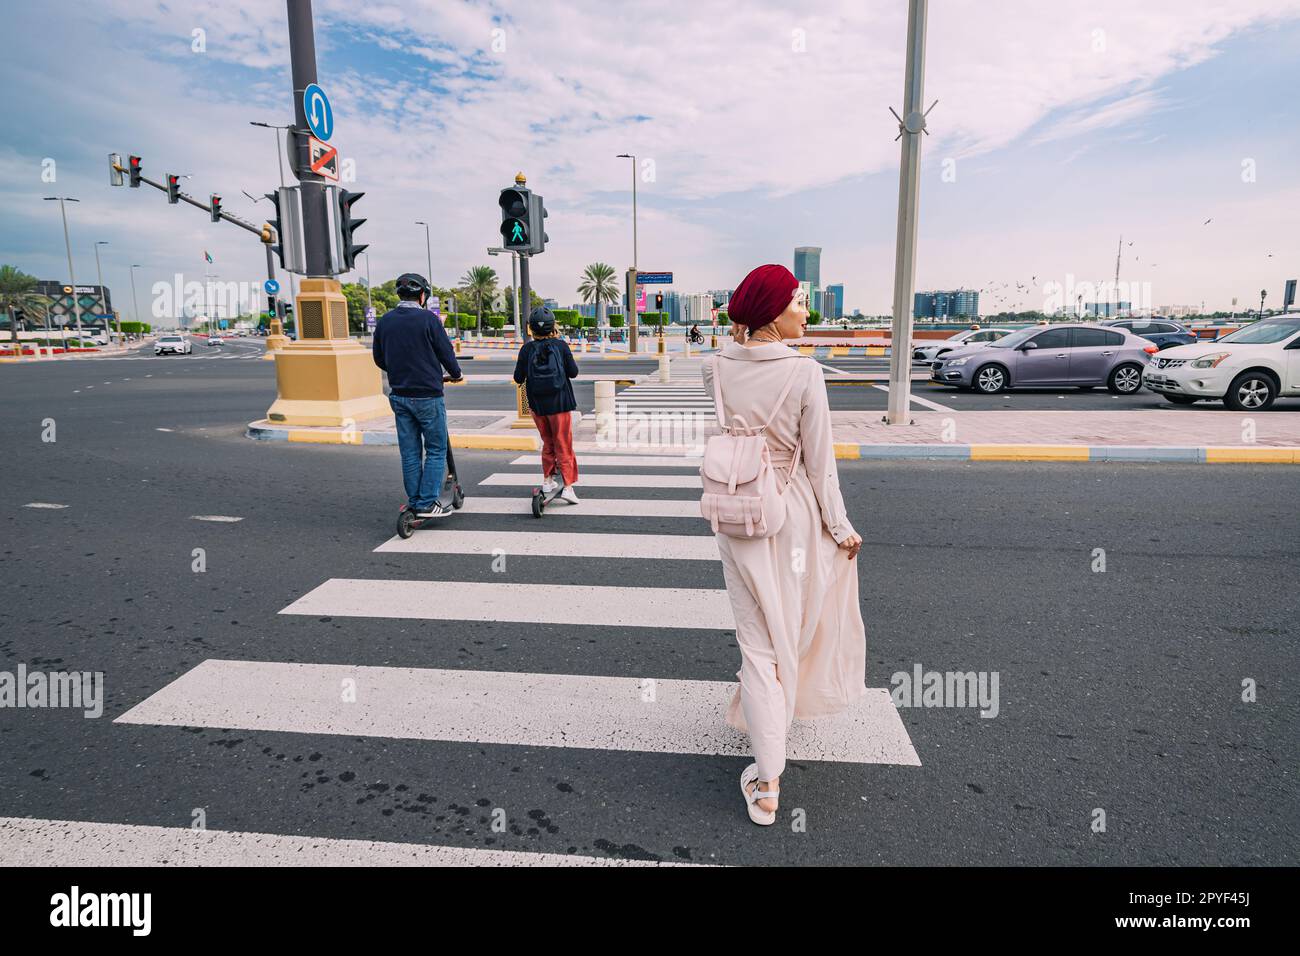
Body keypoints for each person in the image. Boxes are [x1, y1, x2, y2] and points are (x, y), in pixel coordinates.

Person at [702, 263, 865, 826]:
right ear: (773, 311)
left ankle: (765, 773)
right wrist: (841, 528)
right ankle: (769, 774)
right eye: (797, 301)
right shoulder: (804, 374)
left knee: (756, 640)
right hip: (790, 515)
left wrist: (741, 330)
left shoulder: (716, 366)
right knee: (788, 632)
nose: (806, 311)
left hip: (736, 511)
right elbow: (821, 467)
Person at [372, 273, 463, 519]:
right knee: (435, 449)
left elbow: (379, 358)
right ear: (422, 296)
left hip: (399, 394)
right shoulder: (428, 320)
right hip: (428, 395)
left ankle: (415, 501)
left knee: (410, 451)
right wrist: (455, 373)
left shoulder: (385, 321)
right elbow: (446, 353)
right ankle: (427, 502)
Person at [513, 306, 580, 503]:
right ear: (553, 327)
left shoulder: (526, 349)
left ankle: (548, 480)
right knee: (563, 442)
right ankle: (567, 486)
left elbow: (518, 378)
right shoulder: (561, 346)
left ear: (531, 329)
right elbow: (574, 372)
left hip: (537, 405)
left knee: (548, 442)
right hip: (560, 403)